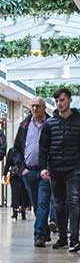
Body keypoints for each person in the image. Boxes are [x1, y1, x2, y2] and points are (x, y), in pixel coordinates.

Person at [40, 88, 80, 251]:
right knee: (59, 205)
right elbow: (43, 148)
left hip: (75, 168)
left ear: (70, 100)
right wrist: (43, 168)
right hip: (55, 169)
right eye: (56, 101)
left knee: (74, 202)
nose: (59, 103)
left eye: (62, 100)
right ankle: (62, 238)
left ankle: (74, 239)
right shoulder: (50, 123)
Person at [16, 97, 55, 246]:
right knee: (37, 205)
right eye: (32, 106)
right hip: (29, 172)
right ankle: (45, 232)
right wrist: (22, 169)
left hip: (44, 171)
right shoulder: (24, 125)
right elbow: (17, 149)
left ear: (44, 108)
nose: (34, 109)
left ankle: (38, 235)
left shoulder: (51, 124)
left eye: (37, 106)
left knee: (43, 203)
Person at [5, 147, 31, 220]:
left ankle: (15, 213)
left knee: (15, 194)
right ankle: (23, 213)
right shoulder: (25, 149)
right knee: (24, 194)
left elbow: (8, 163)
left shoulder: (12, 151)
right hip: (24, 173)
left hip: (14, 174)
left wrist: (4, 174)